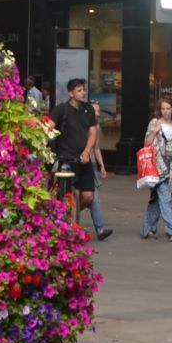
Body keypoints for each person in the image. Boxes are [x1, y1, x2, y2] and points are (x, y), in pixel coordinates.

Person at [51, 78, 112, 241]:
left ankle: (69, 217)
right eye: (79, 90)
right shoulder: (61, 110)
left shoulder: (88, 110)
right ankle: (72, 227)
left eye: (84, 90)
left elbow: (93, 133)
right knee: (73, 195)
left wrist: (86, 152)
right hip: (66, 159)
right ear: (71, 93)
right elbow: (48, 127)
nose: (83, 93)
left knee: (89, 196)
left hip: (84, 160)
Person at [139, 95, 172, 242]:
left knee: (158, 200)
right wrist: (155, 131)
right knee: (166, 198)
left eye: (168, 108)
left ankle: (146, 229)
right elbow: (146, 144)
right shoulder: (154, 122)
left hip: (171, 167)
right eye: (163, 109)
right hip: (156, 167)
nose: (165, 111)